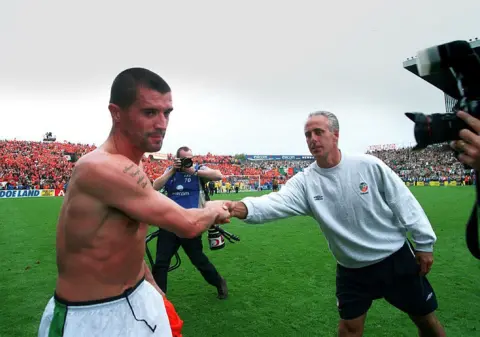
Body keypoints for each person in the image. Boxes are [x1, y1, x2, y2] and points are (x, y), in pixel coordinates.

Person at [38, 68, 231, 337]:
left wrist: (153, 290)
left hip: (136, 296)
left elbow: (126, 240)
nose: (162, 123)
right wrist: (214, 209)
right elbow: (188, 224)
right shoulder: (101, 167)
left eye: (167, 113)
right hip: (89, 315)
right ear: (116, 113)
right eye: (150, 112)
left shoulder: (135, 164)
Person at [224, 111, 447, 337]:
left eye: (318, 132)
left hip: (393, 259)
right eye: (308, 134)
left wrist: (424, 243)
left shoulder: (367, 165)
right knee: (349, 329)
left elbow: (404, 201)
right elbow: (273, 203)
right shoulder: (305, 182)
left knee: (425, 320)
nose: (312, 139)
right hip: (351, 269)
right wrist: (234, 208)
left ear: (335, 134)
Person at [151, 146, 228, 299]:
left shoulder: (198, 170)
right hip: (169, 222)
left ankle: (219, 282)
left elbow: (218, 175)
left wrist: (194, 171)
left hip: (191, 222)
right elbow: (154, 186)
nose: (188, 161)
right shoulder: (170, 170)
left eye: (190, 158)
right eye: (185, 159)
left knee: (198, 259)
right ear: (177, 159)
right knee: (161, 262)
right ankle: (159, 299)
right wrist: (173, 170)